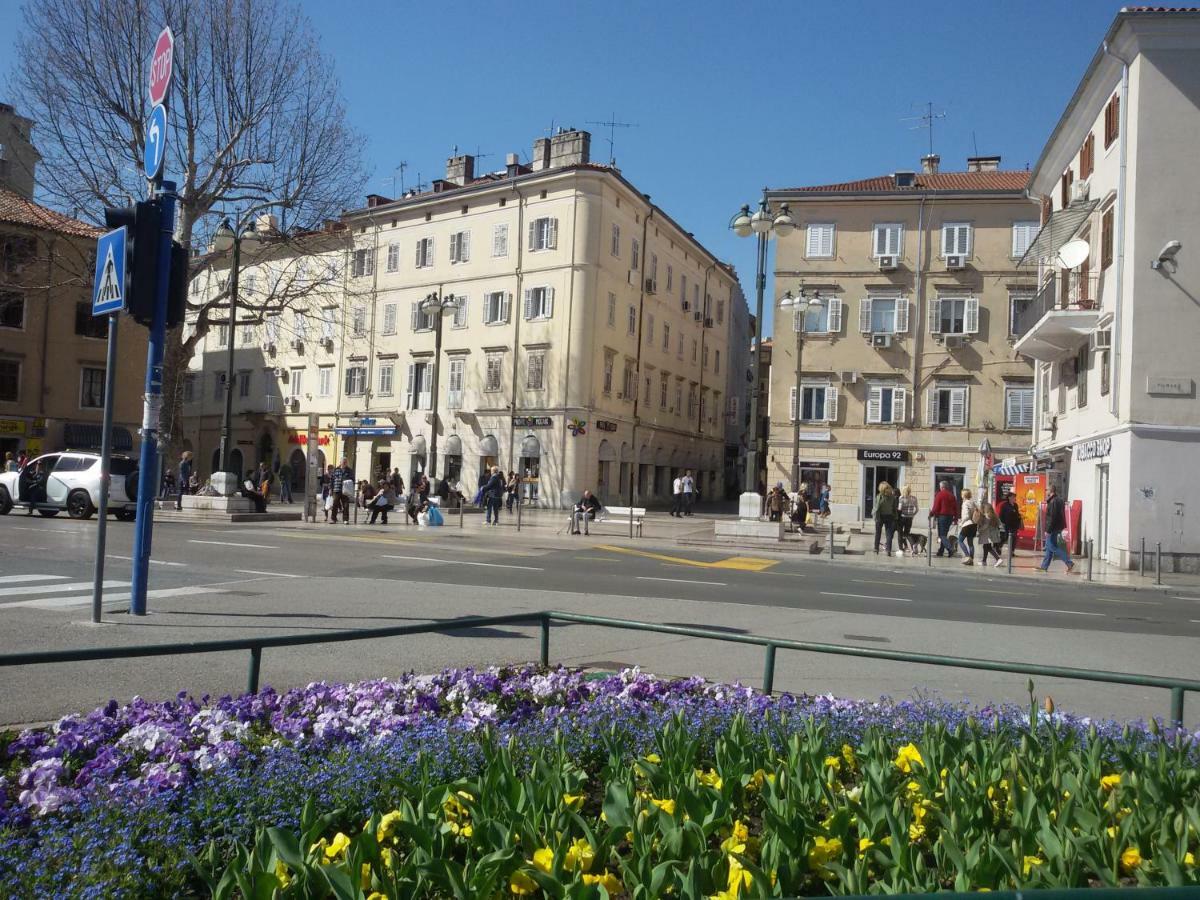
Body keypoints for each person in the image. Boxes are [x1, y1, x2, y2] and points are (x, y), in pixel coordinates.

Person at [1039, 483, 1076, 573]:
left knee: (1052, 546)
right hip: (1058, 527)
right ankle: (1044, 567)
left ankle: (1069, 562)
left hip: (1053, 528)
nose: (1046, 491)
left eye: (1047, 490)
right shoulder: (1059, 500)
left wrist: (1048, 530)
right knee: (1049, 548)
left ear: (1051, 491)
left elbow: (1052, 517)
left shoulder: (1053, 501)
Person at [930, 480, 959, 558]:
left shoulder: (939, 494)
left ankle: (950, 549)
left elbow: (936, 506)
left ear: (942, 487)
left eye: (940, 487)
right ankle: (941, 551)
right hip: (950, 517)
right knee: (944, 535)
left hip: (942, 517)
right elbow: (956, 508)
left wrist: (931, 514)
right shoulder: (952, 495)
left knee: (942, 535)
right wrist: (956, 518)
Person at [997, 492, 1023, 568]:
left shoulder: (1015, 505)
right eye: (1013, 497)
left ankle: (1011, 552)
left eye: (1015, 497)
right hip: (1007, 524)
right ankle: (999, 546)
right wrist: (1003, 522)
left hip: (1014, 525)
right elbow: (1001, 515)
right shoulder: (1004, 505)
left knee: (1014, 538)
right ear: (1009, 498)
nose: (1014, 498)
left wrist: (1019, 518)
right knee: (1005, 537)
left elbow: (1017, 514)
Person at [872, 482, 898, 555]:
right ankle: (888, 550)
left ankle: (876, 548)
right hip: (889, 516)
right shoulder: (892, 497)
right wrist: (895, 516)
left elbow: (876, 507)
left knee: (878, 533)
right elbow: (894, 508)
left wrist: (874, 515)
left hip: (880, 516)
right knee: (889, 534)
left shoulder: (879, 496)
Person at [958, 488, 980, 565]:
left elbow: (966, 515)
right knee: (970, 543)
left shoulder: (965, 503)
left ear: (963, 495)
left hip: (967, 524)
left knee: (960, 540)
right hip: (974, 525)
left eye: (961, 494)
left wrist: (961, 522)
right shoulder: (973, 503)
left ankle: (968, 557)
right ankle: (971, 559)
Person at [978, 501, 1003, 566]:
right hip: (992, 535)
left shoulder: (987, 516)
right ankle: (984, 561)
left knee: (988, 548)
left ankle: (998, 559)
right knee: (986, 547)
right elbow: (1000, 524)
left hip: (987, 535)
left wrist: (979, 530)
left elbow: (985, 526)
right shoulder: (994, 515)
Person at [897, 485, 918, 552]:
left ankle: (901, 548)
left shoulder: (901, 498)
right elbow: (917, 509)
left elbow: (899, 509)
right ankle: (910, 545)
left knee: (900, 533)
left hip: (902, 517)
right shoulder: (914, 498)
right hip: (910, 518)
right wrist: (913, 515)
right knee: (906, 533)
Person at [330, 458, 351, 524]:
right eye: (343, 462)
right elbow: (332, 480)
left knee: (346, 505)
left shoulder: (349, 470)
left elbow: (352, 479)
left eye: (345, 462)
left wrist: (347, 481)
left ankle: (345, 519)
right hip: (336, 489)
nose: (344, 463)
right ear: (340, 462)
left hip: (345, 490)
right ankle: (333, 519)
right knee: (335, 504)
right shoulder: (336, 470)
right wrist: (331, 489)